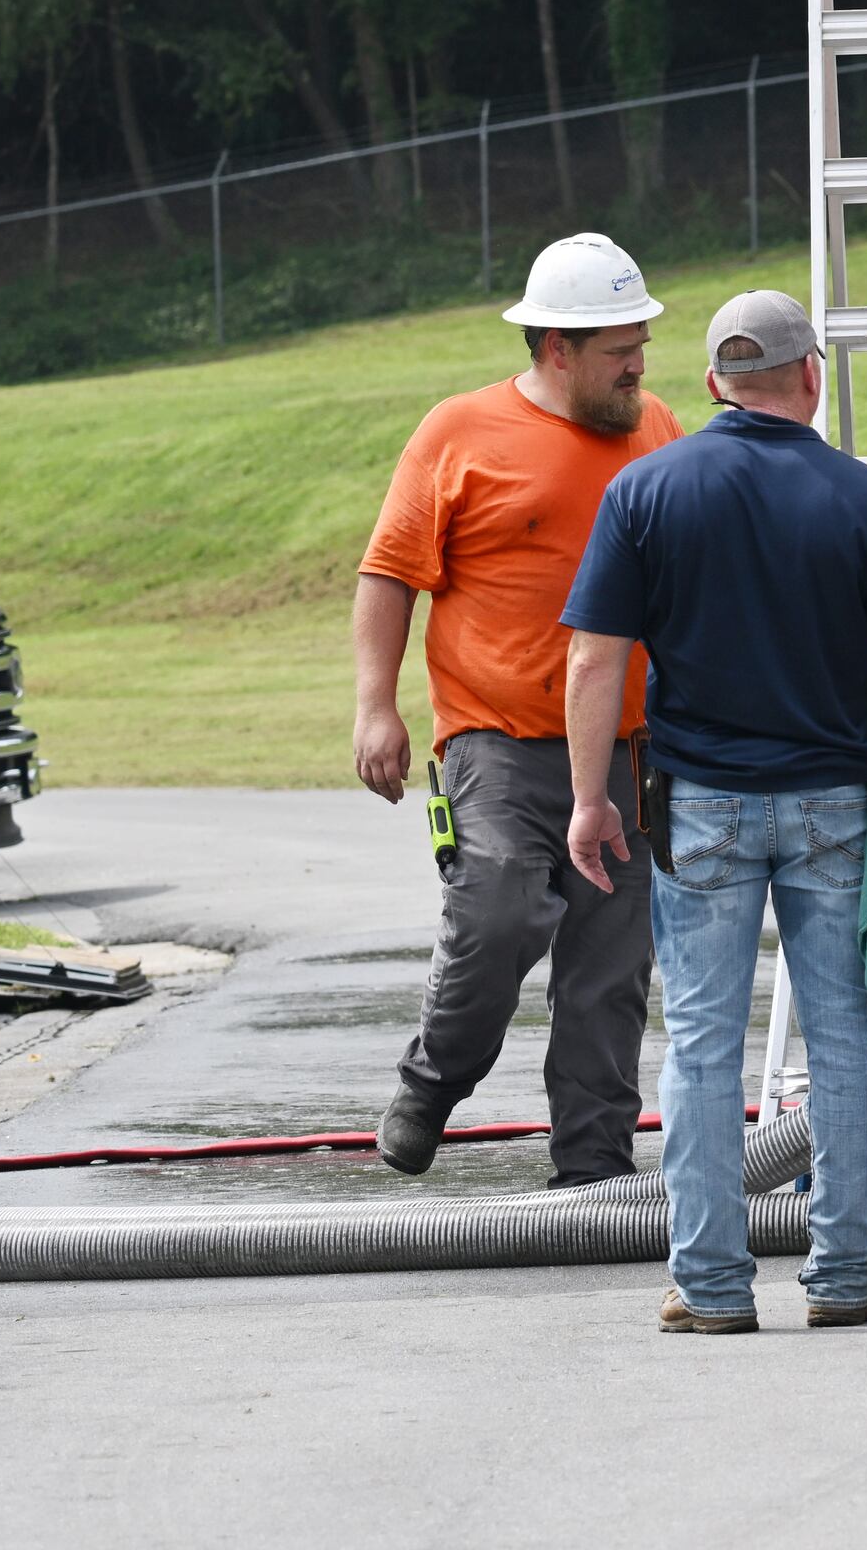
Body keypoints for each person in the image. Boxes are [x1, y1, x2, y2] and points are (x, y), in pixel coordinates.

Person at [560, 290, 867, 1335]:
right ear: (810, 375)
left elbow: (594, 657)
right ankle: (843, 1274)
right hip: (836, 804)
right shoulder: (864, 500)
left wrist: (588, 798)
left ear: (713, 382)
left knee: (704, 1041)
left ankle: (710, 1286)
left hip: (699, 801)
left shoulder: (644, 491)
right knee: (845, 1037)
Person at [353, 230, 678, 1184]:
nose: (638, 368)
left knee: (610, 973)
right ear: (556, 349)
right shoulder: (457, 432)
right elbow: (389, 575)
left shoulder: (655, 425)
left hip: (626, 752)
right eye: (619, 353)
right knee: (497, 917)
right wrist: (377, 708)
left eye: (641, 347)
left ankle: (592, 1164)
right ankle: (431, 1084)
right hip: (498, 744)